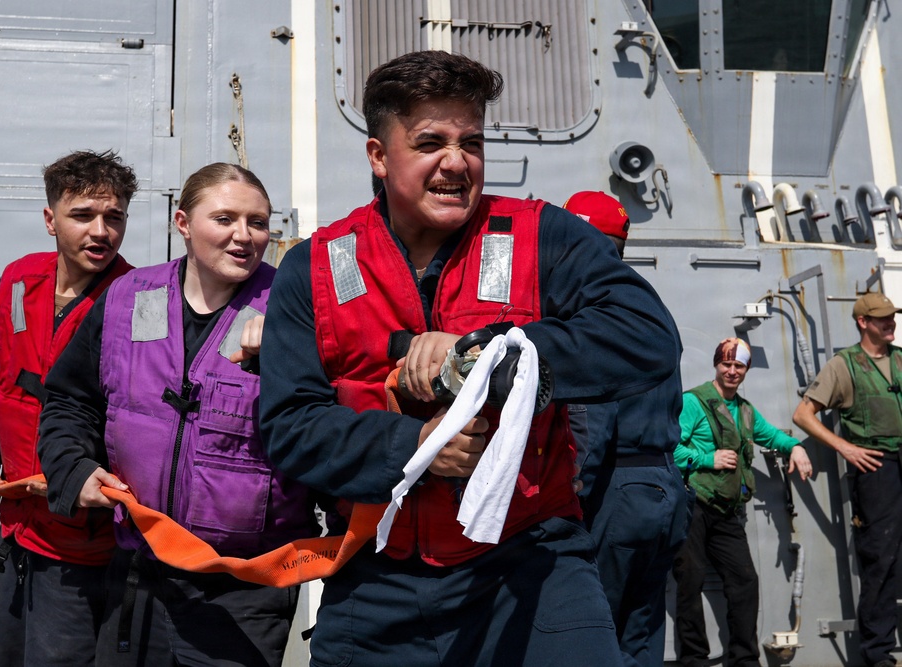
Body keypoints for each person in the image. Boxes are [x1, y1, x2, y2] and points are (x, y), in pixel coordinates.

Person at [260, 50, 680, 666]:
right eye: (430, 142)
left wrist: (491, 353)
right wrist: (417, 448)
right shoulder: (314, 268)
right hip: (376, 581)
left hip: (532, 569)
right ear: (379, 156)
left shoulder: (544, 236)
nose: (456, 162)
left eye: (472, 142)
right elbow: (289, 426)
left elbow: (647, 337)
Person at [37, 163, 319, 667]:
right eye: (225, 219)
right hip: (137, 572)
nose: (244, 236)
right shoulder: (127, 298)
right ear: (183, 223)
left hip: (242, 590)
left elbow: (328, 426)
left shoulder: (294, 312)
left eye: (257, 222)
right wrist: (72, 468)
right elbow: (69, 399)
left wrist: (285, 354)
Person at [0, 150, 137, 666]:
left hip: (84, 547)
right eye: (82, 215)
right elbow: (4, 381)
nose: (101, 231)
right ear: (50, 219)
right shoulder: (19, 280)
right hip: (16, 531)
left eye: (114, 217)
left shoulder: (136, 300)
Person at [564, 191, 691, 667]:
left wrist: (570, 499)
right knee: (640, 636)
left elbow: (591, 420)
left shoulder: (590, 309)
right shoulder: (649, 307)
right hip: (665, 487)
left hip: (614, 491)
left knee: (592, 631)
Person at [672, 337, 813, 667]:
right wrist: (707, 459)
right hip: (693, 505)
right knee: (689, 581)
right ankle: (694, 660)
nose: (732, 371)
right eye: (726, 364)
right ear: (716, 365)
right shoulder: (693, 402)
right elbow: (670, 448)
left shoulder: (745, 410)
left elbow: (771, 435)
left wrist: (795, 447)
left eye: (739, 366)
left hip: (726, 511)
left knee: (745, 582)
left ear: (747, 369)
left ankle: (745, 660)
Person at [792, 292, 902, 667]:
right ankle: (878, 655)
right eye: (882, 317)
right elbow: (803, 414)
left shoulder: (900, 359)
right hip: (877, 468)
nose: (890, 322)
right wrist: (845, 447)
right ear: (863, 322)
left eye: (891, 316)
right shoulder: (844, 365)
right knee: (881, 560)